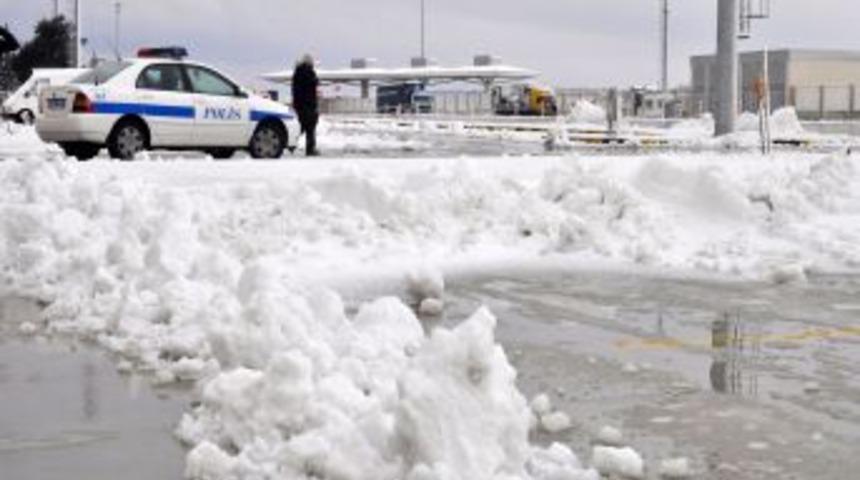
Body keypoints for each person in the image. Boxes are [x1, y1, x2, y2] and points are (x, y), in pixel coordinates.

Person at [291, 54, 320, 156]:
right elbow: (313, 85)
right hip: (309, 105)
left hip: (299, 105)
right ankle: (310, 150)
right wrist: (315, 80)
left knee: (300, 127)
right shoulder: (309, 72)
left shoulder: (296, 73)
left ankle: (289, 145)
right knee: (310, 129)